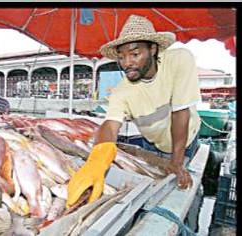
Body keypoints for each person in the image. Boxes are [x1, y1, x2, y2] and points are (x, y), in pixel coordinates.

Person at [66, 15, 201, 208]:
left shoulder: (179, 60)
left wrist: (177, 163)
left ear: (153, 49)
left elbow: (180, 112)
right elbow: (110, 126)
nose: (126, 63)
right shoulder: (122, 91)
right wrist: (96, 161)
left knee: (181, 187)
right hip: (153, 143)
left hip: (185, 140)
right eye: (121, 57)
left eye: (134, 54)